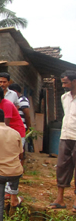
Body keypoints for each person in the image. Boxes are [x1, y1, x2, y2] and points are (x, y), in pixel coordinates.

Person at [50, 71, 76, 211]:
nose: (64, 85)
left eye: (66, 82)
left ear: (74, 81)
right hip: (65, 136)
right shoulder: (64, 97)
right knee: (61, 167)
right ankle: (60, 199)